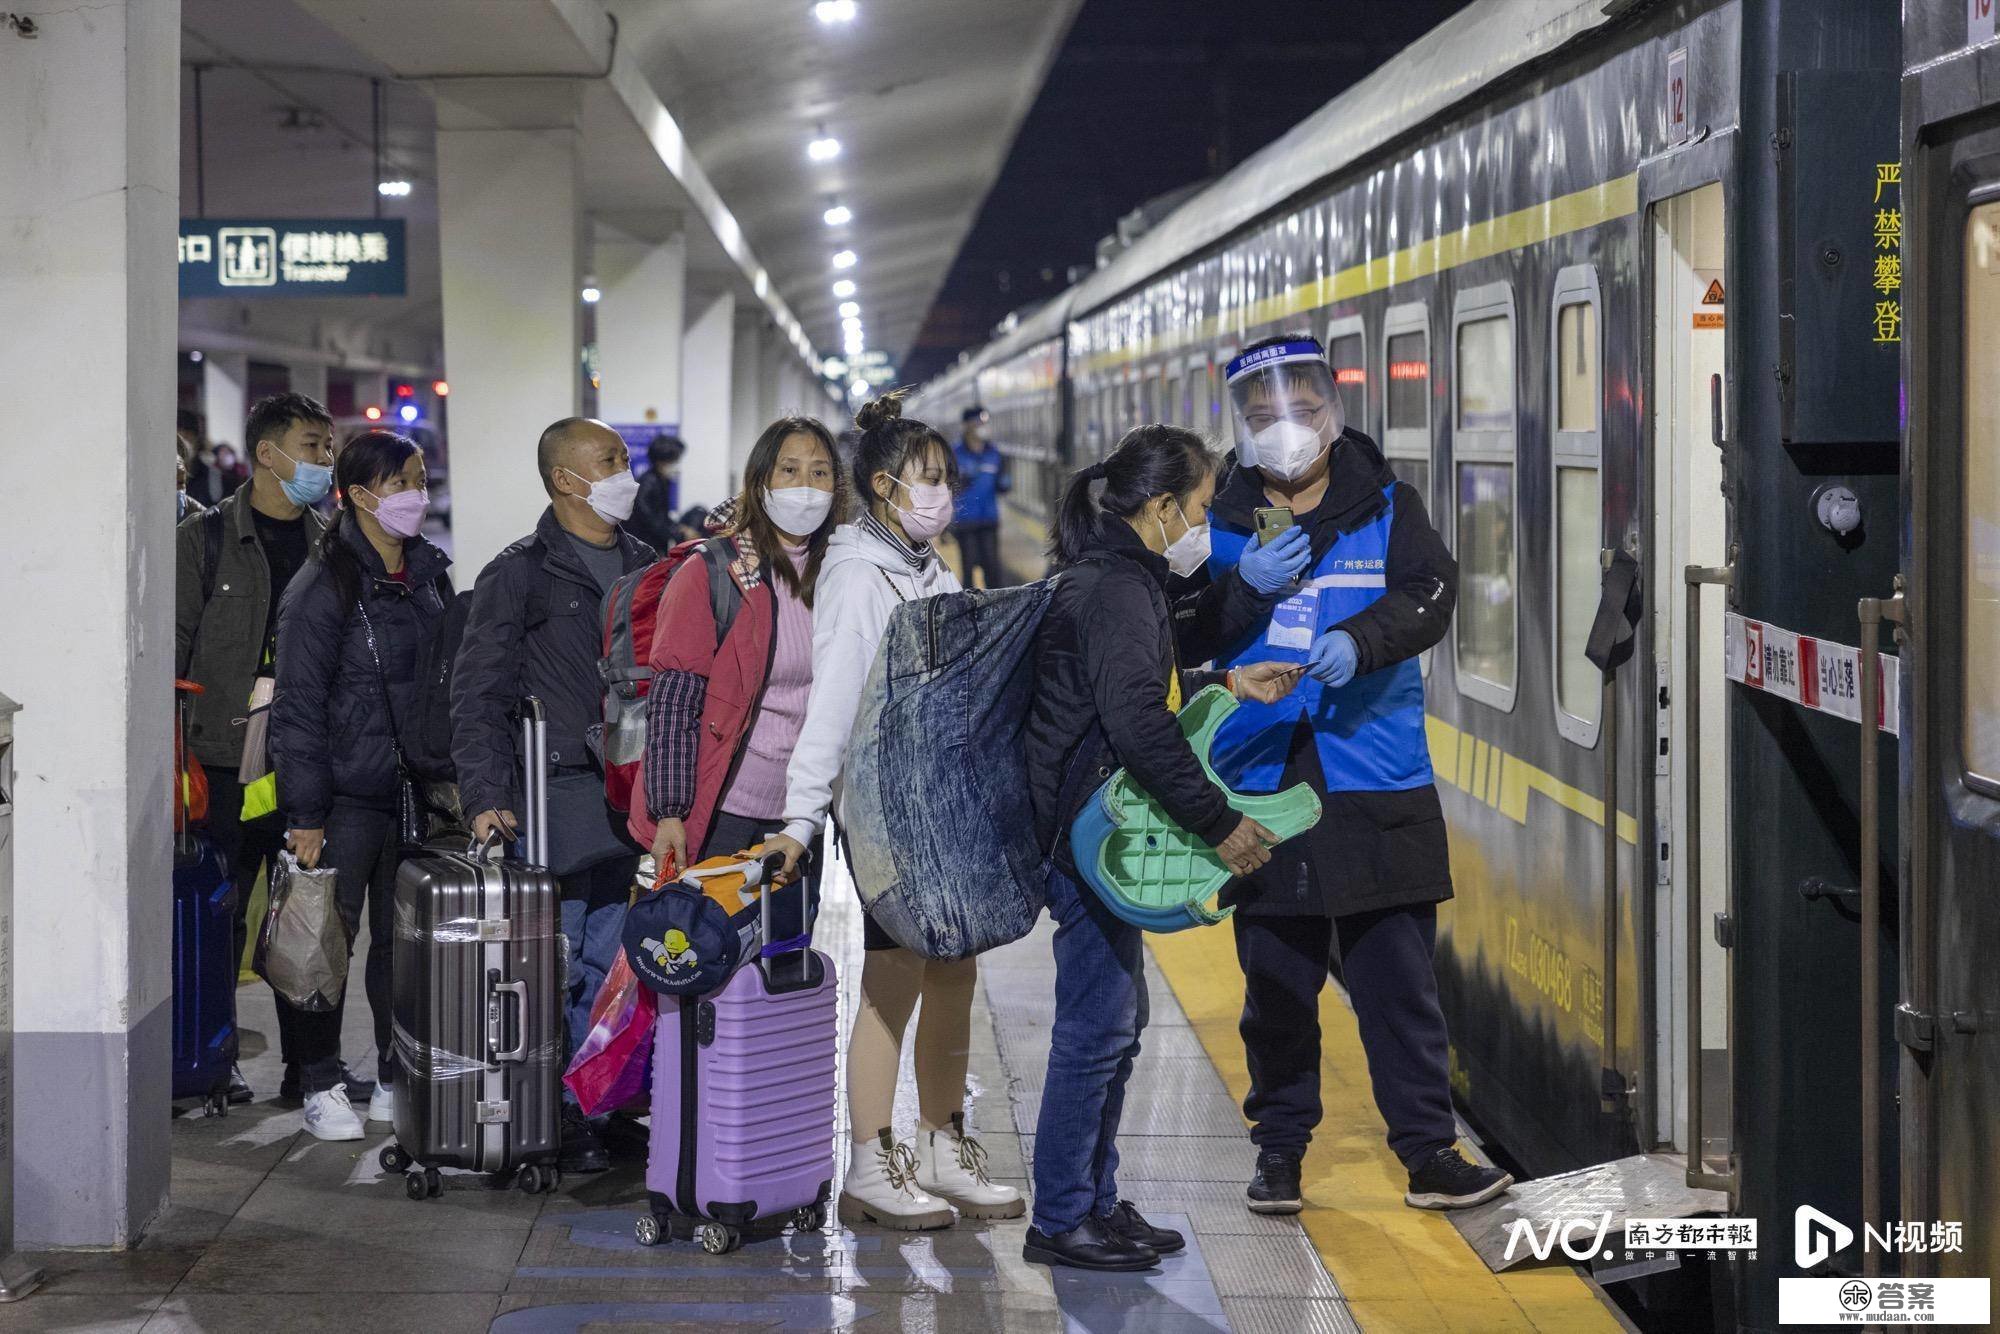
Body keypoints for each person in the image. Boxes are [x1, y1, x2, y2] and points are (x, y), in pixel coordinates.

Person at [1201, 333, 1511, 1214]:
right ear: (1242, 426)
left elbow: (1433, 594)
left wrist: (1359, 642)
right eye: (1261, 418)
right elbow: (1187, 634)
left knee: (1399, 984)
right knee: (1276, 989)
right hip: (1263, 778)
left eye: (1296, 412)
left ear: (1329, 412)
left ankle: (1429, 1153)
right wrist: (1241, 589)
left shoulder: (1388, 505)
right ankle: (1280, 1154)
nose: (1281, 431)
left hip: (1376, 776)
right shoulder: (1218, 527)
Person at [1019, 423, 1310, 1270]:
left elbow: (1134, 690)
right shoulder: (1115, 587)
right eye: (1203, 504)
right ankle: (1063, 1216)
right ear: (1161, 507)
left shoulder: (1124, 578)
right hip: (1087, 838)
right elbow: (1137, 723)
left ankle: (1095, 1202)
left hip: (1094, 825)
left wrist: (1224, 682)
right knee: (1097, 1029)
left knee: (1118, 1024)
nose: (1207, 522)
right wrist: (1220, 825)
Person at [763, 392, 1021, 1231]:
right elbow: (831, 706)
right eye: (928, 480)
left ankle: (944, 1144)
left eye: (946, 479)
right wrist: (801, 820)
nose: (942, 494)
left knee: (956, 965)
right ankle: (871, 1161)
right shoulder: (855, 574)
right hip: (880, 810)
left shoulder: (922, 565)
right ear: (881, 487)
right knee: (894, 976)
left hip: (936, 799)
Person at [451, 417, 657, 1174]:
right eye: (608, 461)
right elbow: (477, 694)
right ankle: (550, 1114)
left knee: (612, 967)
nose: (623, 472)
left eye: (623, 459)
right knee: (557, 962)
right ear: (566, 479)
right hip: (553, 796)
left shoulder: (646, 561)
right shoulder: (522, 573)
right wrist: (484, 795)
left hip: (628, 797)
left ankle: (591, 1105)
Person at [175, 392, 360, 1107]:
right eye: (311, 445)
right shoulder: (205, 540)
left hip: (303, 767)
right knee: (219, 918)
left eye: (327, 447)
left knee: (309, 917)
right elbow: (174, 652)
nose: (324, 459)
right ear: (266, 454)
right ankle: (214, 1061)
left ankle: (311, 1070)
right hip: (223, 766)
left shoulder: (334, 544)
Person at [269, 431, 450, 1140]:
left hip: (412, 792)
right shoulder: (322, 587)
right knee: (324, 941)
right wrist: (305, 811)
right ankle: (318, 1083)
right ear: (362, 495)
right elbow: (298, 707)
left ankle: (391, 1076)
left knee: (400, 947)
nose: (417, 494)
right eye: (402, 482)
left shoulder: (428, 576)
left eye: (419, 479)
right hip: (344, 796)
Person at [635, 416, 844, 887]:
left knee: (788, 955)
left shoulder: (841, 572)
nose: (805, 486)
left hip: (800, 815)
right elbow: (674, 698)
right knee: (716, 954)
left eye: (820, 472)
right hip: (724, 814)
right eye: (789, 470)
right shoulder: (714, 572)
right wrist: (669, 813)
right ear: (760, 480)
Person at [950, 405, 1009, 589]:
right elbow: (946, 486)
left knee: (993, 569)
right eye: (978, 422)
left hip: (988, 519)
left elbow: (1004, 485)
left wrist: (1005, 480)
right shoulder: (954, 454)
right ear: (967, 425)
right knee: (968, 569)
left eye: (985, 422)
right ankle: (969, 610)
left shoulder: (994, 452)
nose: (983, 426)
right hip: (966, 520)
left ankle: (997, 608)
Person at [628, 432, 686, 552]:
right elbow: (649, 520)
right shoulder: (647, 483)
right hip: (644, 547)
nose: (677, 465)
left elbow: (661, 515)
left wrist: (678, 528)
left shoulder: (662, 480)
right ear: (661, 461)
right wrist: (676, 533)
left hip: (655, 543)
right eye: (674, 460)